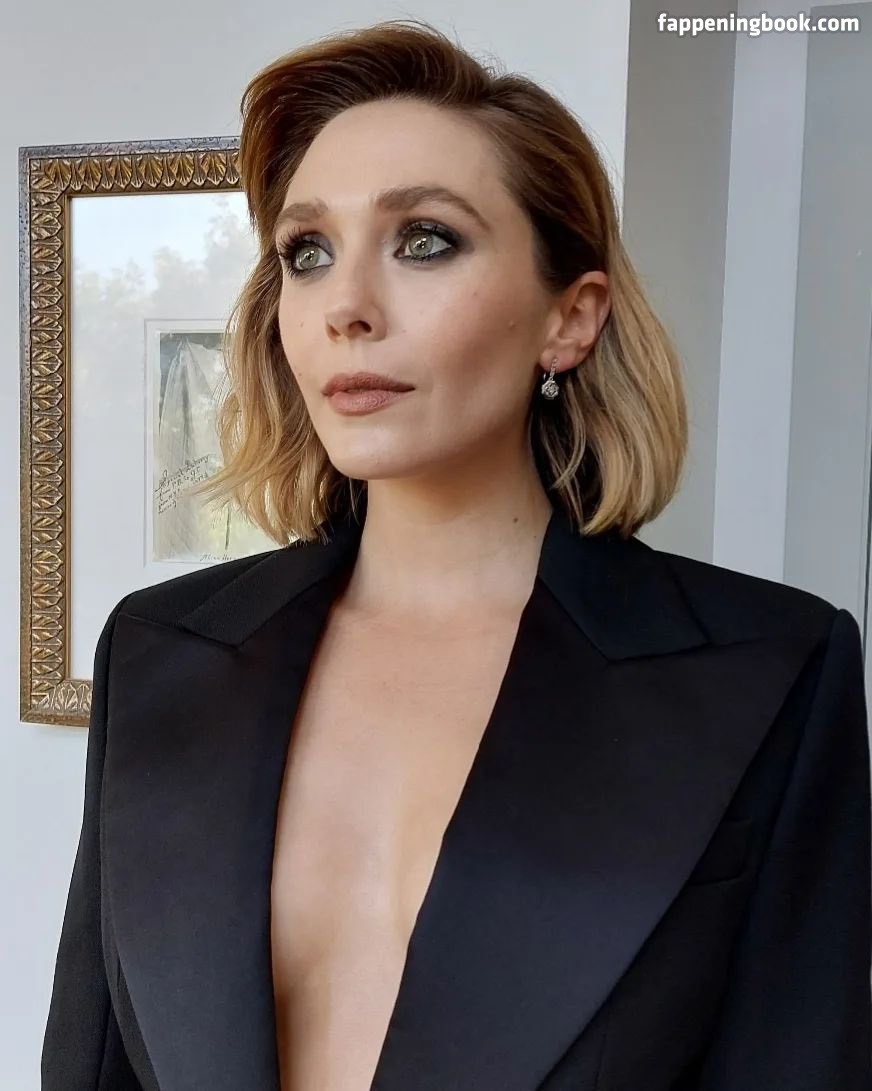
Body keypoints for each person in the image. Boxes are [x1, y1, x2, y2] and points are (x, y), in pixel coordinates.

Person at [41, 18, 872, 1091]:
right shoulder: (162, 650)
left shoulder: (771, 669)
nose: (346, 307)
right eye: (307, 252)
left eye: (425, 240)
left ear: (569, 319)